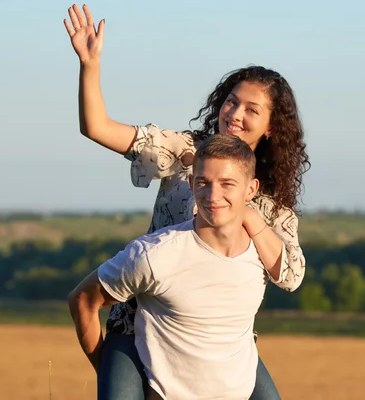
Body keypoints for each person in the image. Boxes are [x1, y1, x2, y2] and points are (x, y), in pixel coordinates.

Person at [64, 3, 310, 400]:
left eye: (252, 109)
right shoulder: (182, 150)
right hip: (142, 320)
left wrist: (249, 216)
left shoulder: (270, 205)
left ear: (271, 128)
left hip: (218, 343)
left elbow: (291, 276)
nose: (235, 113)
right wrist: (89, 64)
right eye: (232, 101)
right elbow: (97, 128)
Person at [69, 134, 270, 399]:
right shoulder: (154, 255)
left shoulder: (262, 255)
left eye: (227, 184)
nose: (213, 195)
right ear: (191, 184)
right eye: (203, 183)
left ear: (251, 190)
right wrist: (108, 372)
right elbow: (82, 300)